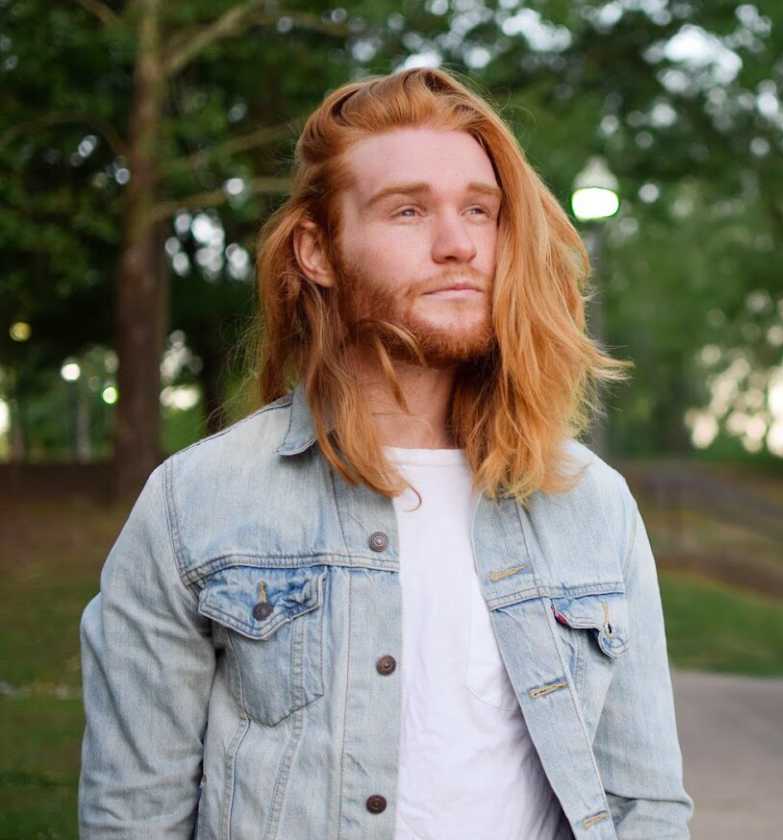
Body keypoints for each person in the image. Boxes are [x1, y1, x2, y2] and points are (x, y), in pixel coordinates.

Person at [79, 66, 694, 839]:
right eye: (407, 210)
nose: (457, 244)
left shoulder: (591, 503)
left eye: (480, 211)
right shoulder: (197, 503)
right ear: (318, 251)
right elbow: (131, 816)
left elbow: (646, 806)